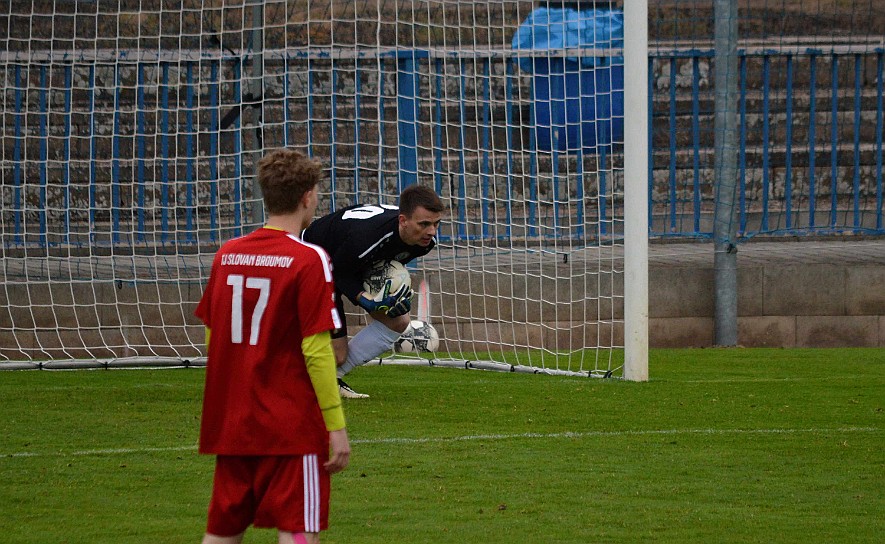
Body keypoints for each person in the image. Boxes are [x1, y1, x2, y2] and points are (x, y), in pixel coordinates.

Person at [194, 148, 350, 544]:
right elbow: (317, 351)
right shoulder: (308, 258)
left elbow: (215, 339)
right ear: (308, 197)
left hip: (234, 423)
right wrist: (335, 425)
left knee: (222, 533)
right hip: (290, 427)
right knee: (298, 532)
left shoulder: (227, 254)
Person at [303, 184, 445, 399]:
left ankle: (329, 381)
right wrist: (365, 298)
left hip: (348, 262)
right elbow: (337, 273)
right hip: (314, 262)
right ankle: (291, 381)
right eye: (424, 224)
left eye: (436, 224)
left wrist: (390, 294)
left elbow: (382, 264)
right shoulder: (368, 238)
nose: (431, 231)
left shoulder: (424, 242)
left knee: (398, 321)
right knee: (337, 354)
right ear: (403, 221)